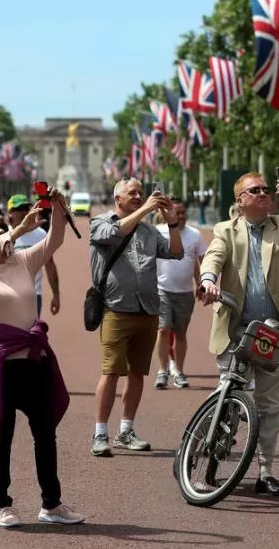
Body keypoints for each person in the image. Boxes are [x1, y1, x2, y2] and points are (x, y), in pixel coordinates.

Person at [0, 193, 84, 528]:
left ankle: (51, 504)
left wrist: (56, 206)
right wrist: (14, 231)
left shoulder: (22, 261)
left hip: (33, 359)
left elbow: (55, 239)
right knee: (3, 434)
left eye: (1, 226)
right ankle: (2, 503)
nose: (0, 231)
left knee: (45, 433)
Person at [199, 172, 279, 497]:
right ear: (240, 199)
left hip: (274, 333)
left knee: (270, 407)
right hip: (236, 330)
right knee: (228, 399)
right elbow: (214, 256)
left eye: (267, 190)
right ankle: (210, 453)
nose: (264, 194)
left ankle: (266, 471)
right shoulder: (226, 229)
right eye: (256, 190)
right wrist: (209, 279)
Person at [88, 178, 182, 457]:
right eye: (133, 193)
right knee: (111, 372)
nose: (139, 196)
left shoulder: (150, 231)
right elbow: (111, 234)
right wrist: (145, 210)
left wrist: (172, 223)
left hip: (148, 309)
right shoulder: (99, 222)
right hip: (116, 309)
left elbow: (176, 252)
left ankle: (126, 431)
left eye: (141, 193)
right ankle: (100, 434)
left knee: (138, 373)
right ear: (118, 198)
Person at [154, 198, 207, 390]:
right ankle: (162, 370)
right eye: (177, 212)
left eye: (184, 212)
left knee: (181, 333)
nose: (181, 216)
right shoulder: (158, 232)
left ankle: (179, 370)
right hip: (161, 290)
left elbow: (202, 261)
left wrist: (202, 283)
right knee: (163, 329)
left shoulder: (195, 235)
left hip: (184, 293)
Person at [5, 194, 60, 319]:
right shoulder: (3, 235)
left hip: (34, 294)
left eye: (27, 208)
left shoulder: (40, 234)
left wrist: (56, 295)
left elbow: (50, 265)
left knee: (30, 335)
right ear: (9, 213)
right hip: (8, 294)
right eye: (19, 209)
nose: (24, 212)